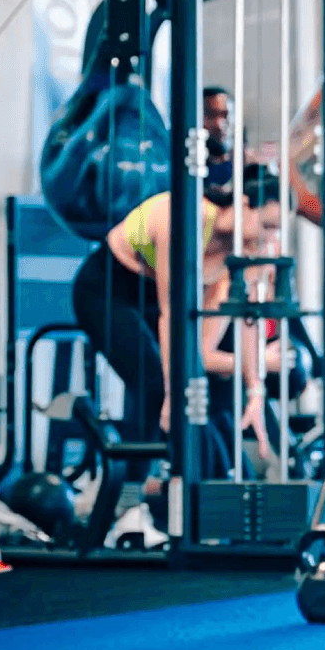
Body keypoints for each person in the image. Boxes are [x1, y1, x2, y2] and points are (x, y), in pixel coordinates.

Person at [71, 165, 282, 464]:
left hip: (154, 297)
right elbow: (172, 314)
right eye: (268, 226)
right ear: (245, 205)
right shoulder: (185, 219)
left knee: (209, 388)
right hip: (107, 290)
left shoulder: (249, 247)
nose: (271, 238)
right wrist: (172, 395)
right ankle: (136, 485)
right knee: (154, 385)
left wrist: (255, 392)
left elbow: (247, 317)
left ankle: (199, 479)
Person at [203, 86, 235, 189]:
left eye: (225, 116)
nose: (219, 124)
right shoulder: (185, 167)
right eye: (211, 115)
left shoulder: (241, 165)